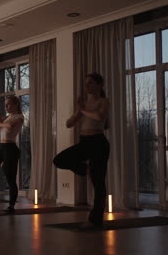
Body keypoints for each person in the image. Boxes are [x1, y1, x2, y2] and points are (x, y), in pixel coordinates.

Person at [53, 73, 110, 229]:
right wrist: (79, 111)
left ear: (99, 84)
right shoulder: (84, 105)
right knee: (59, 160)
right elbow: (68, 124)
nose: (87, 86)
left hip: (98, 143)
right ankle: (85, 169)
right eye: (86, 84)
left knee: (98, 184)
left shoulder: (104, 101)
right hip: (85, 142)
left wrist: (83, 109)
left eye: (90, 83)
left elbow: (99, 117)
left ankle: (95, 220)